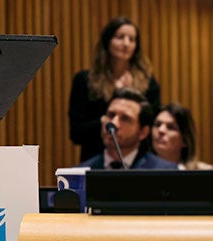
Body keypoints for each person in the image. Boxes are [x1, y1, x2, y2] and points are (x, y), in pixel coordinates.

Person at [69, 17, 160, 162]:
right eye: (120, 37)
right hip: (96, 160)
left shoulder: (148, 83)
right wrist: (107, 118)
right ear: (107, 41)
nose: (126, 43)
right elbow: (76, 133)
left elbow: (151, 128)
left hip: (138, 162)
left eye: (132, 39)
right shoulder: (84, 81)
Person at [77, 88, 177, 170]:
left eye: (125, 118)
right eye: (111, 115)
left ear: (143, 132)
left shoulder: (165, 171)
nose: (113, 123)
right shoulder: (80, 173)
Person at [151, 103, 213, 170]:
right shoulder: (139, 169)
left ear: (185, 141)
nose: (161, 130)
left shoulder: (205, 172)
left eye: (171, 127)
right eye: (157, 125)